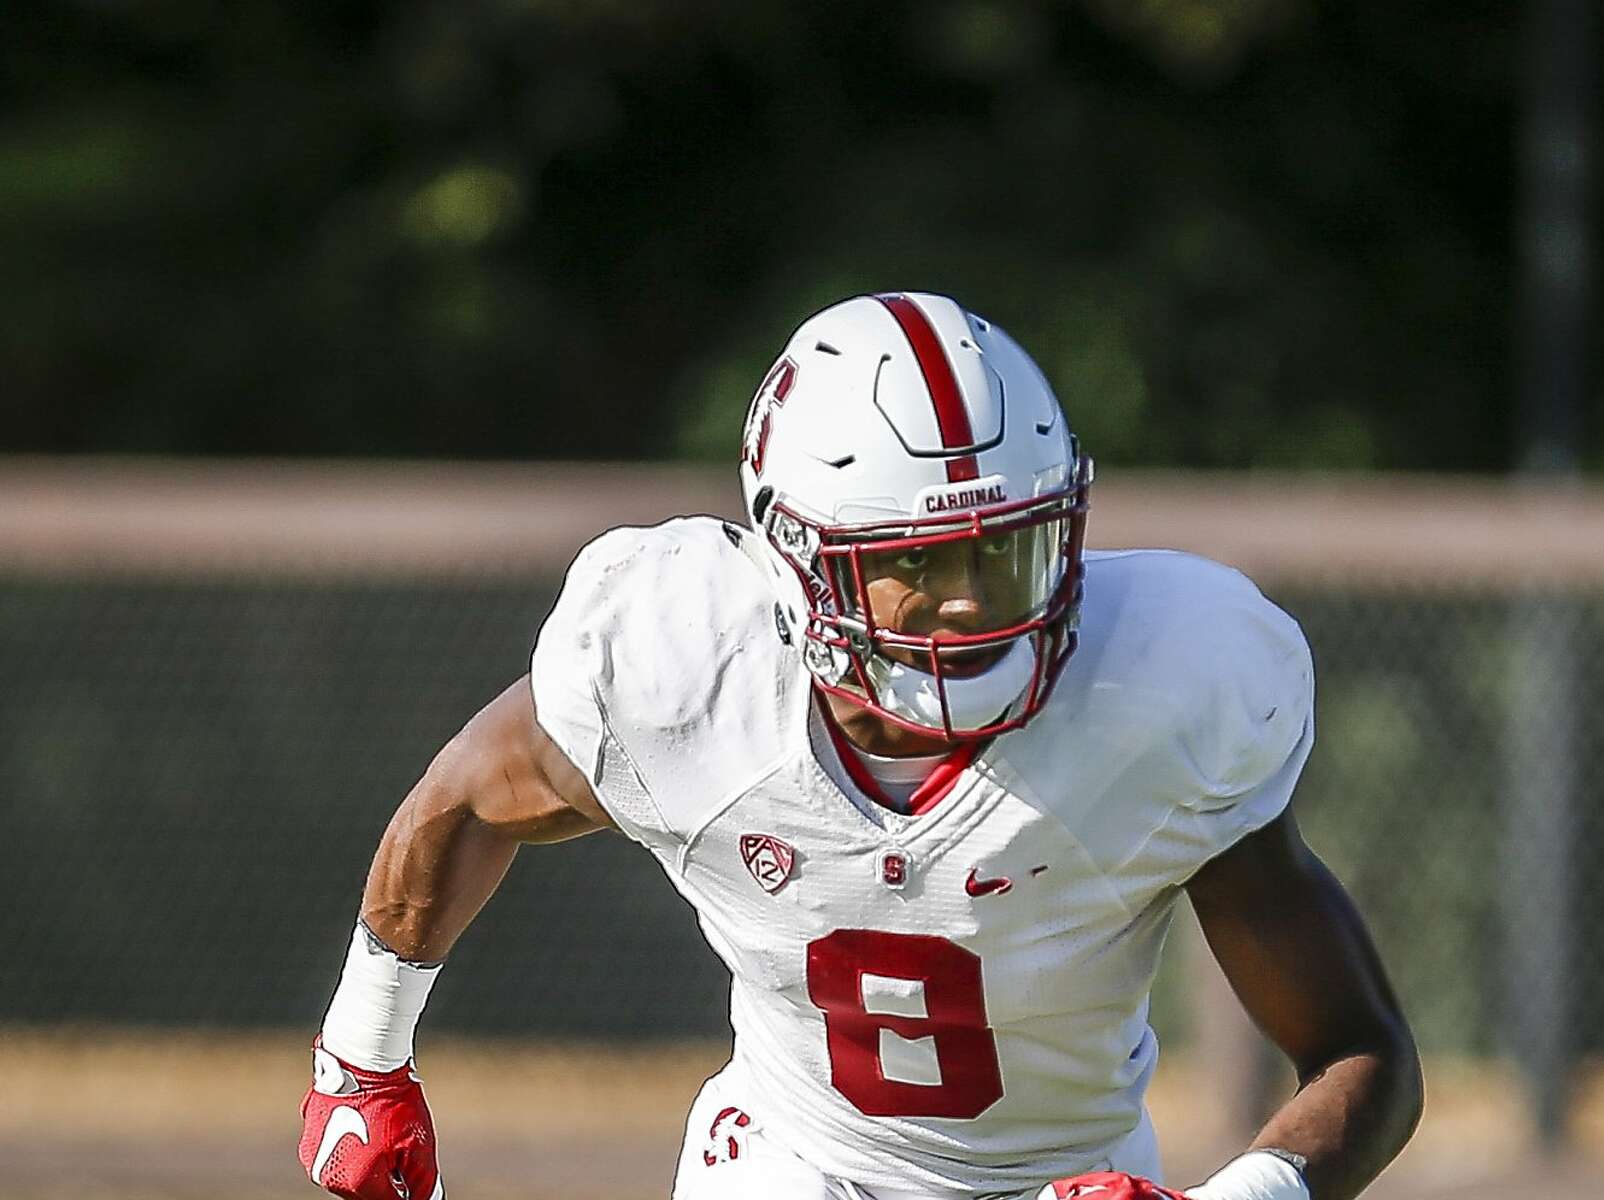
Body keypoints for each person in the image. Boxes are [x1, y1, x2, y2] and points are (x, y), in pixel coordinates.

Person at [298, 292, 1422, 1200]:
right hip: (792, 1164)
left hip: (1068, 1184)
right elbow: (466, 798)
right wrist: (362, 1057)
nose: (973, 605)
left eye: (1005, 552)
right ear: (797, 563)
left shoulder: (1156, 692)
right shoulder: (690, 668)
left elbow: (1363, 1054)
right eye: (919, 563)